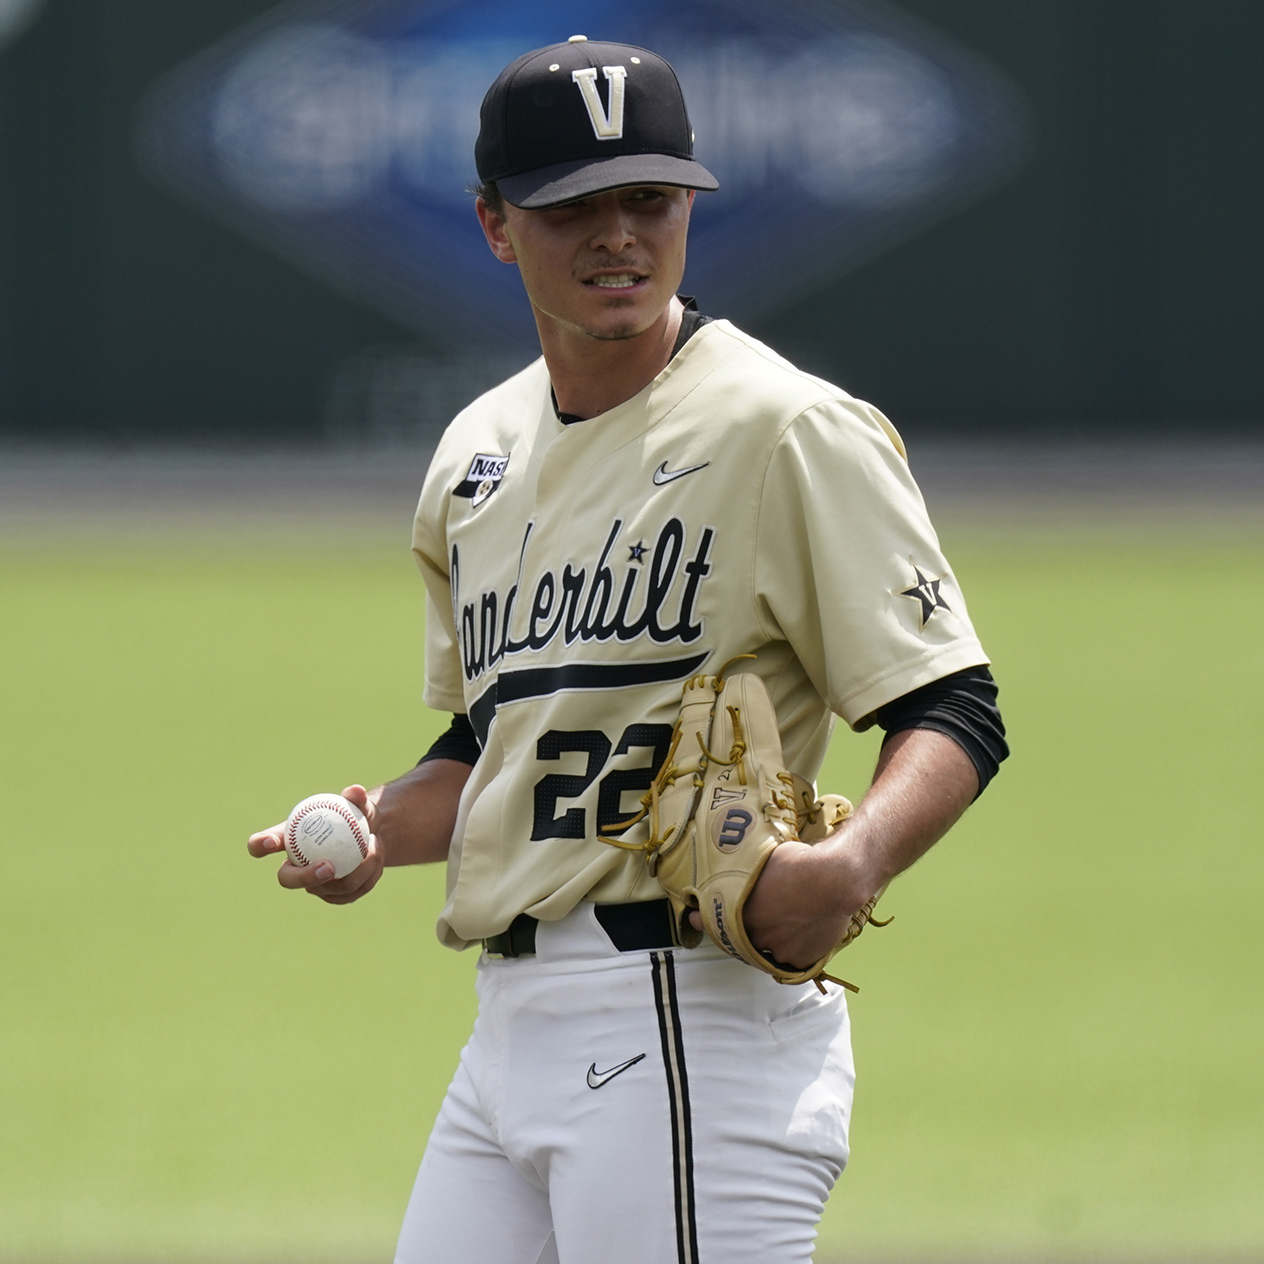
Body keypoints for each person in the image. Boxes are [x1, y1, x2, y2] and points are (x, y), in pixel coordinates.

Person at [249, 35, 1007, 1264]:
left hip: (686, 1016)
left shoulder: (784, 426)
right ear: (496, 227)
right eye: (572, 208)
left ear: (690, 206)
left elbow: (955, 704)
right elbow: (487, 746)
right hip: (506, 1030)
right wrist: (383, 826)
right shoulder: (475, 454)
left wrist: (856, 859)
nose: (618, 235)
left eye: (649, 199)